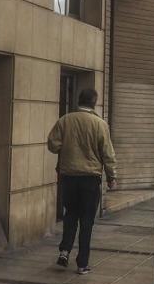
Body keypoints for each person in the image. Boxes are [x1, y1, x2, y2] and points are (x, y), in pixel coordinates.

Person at [48, 87, 116, 274]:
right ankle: (82, 263)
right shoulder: (100, 124)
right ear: (94, 102)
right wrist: (111, 176)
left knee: (70, 214)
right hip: (90, 179)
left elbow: (52, 145)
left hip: (69, 177)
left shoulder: (65, 120)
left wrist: (67, 146)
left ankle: (64, 250)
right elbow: (107, 154)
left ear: (79, 101)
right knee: (87, 221)